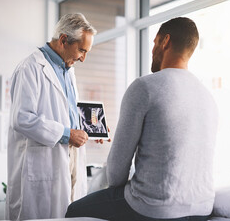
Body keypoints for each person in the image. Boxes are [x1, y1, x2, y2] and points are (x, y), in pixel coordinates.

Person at [65, 17, 218, 221]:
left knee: (74, 210)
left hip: (155, 207)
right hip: (202, 209)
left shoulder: (144, 87)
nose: (152, 50)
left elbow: (117, 171)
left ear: (165, 41)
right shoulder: (207, 96)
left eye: (154, 43)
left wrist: (118, 190)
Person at [6, 13, 99, 220]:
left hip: (70, 154)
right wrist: (67, 134)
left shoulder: (68, 70)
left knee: (71, 212)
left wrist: (91, 130)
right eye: (82, 50)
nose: (83, 58)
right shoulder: (30, 68)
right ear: (64, 40)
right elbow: (21, 118)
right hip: (44, 159)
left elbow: (68, 113)